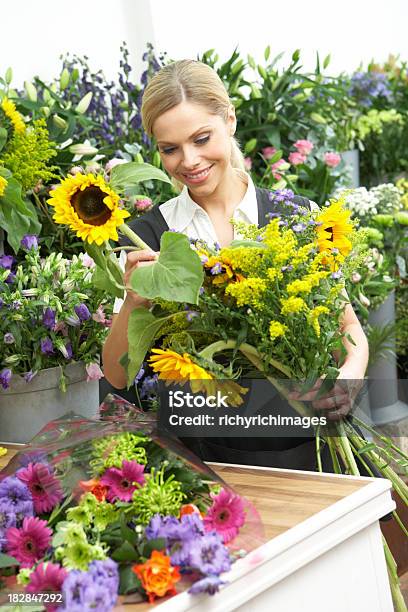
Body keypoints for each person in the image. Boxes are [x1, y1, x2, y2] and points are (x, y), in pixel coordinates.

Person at [102, 59, 369, 471]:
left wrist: (349, 378)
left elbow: (347, 328)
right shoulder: (148, 237)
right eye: (170, 149)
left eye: (201, 138)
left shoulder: (296, 216)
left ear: (230, 121)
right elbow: (117, 377)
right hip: (208, 459)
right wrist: (136, 302)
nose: (188, 161)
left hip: (309, 447)